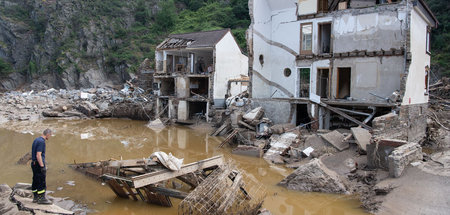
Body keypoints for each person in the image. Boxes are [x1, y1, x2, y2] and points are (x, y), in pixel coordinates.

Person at [31, 129, 52, 204]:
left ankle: (35, 197)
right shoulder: (41, 142)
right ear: (47, 134)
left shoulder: (36, 140)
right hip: (38, 164)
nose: (50, 137)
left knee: (35, 180)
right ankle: (41, 198)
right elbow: (38, 155)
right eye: (50, 135)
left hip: (33, 163)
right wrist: (42, 166)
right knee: (41, 181)